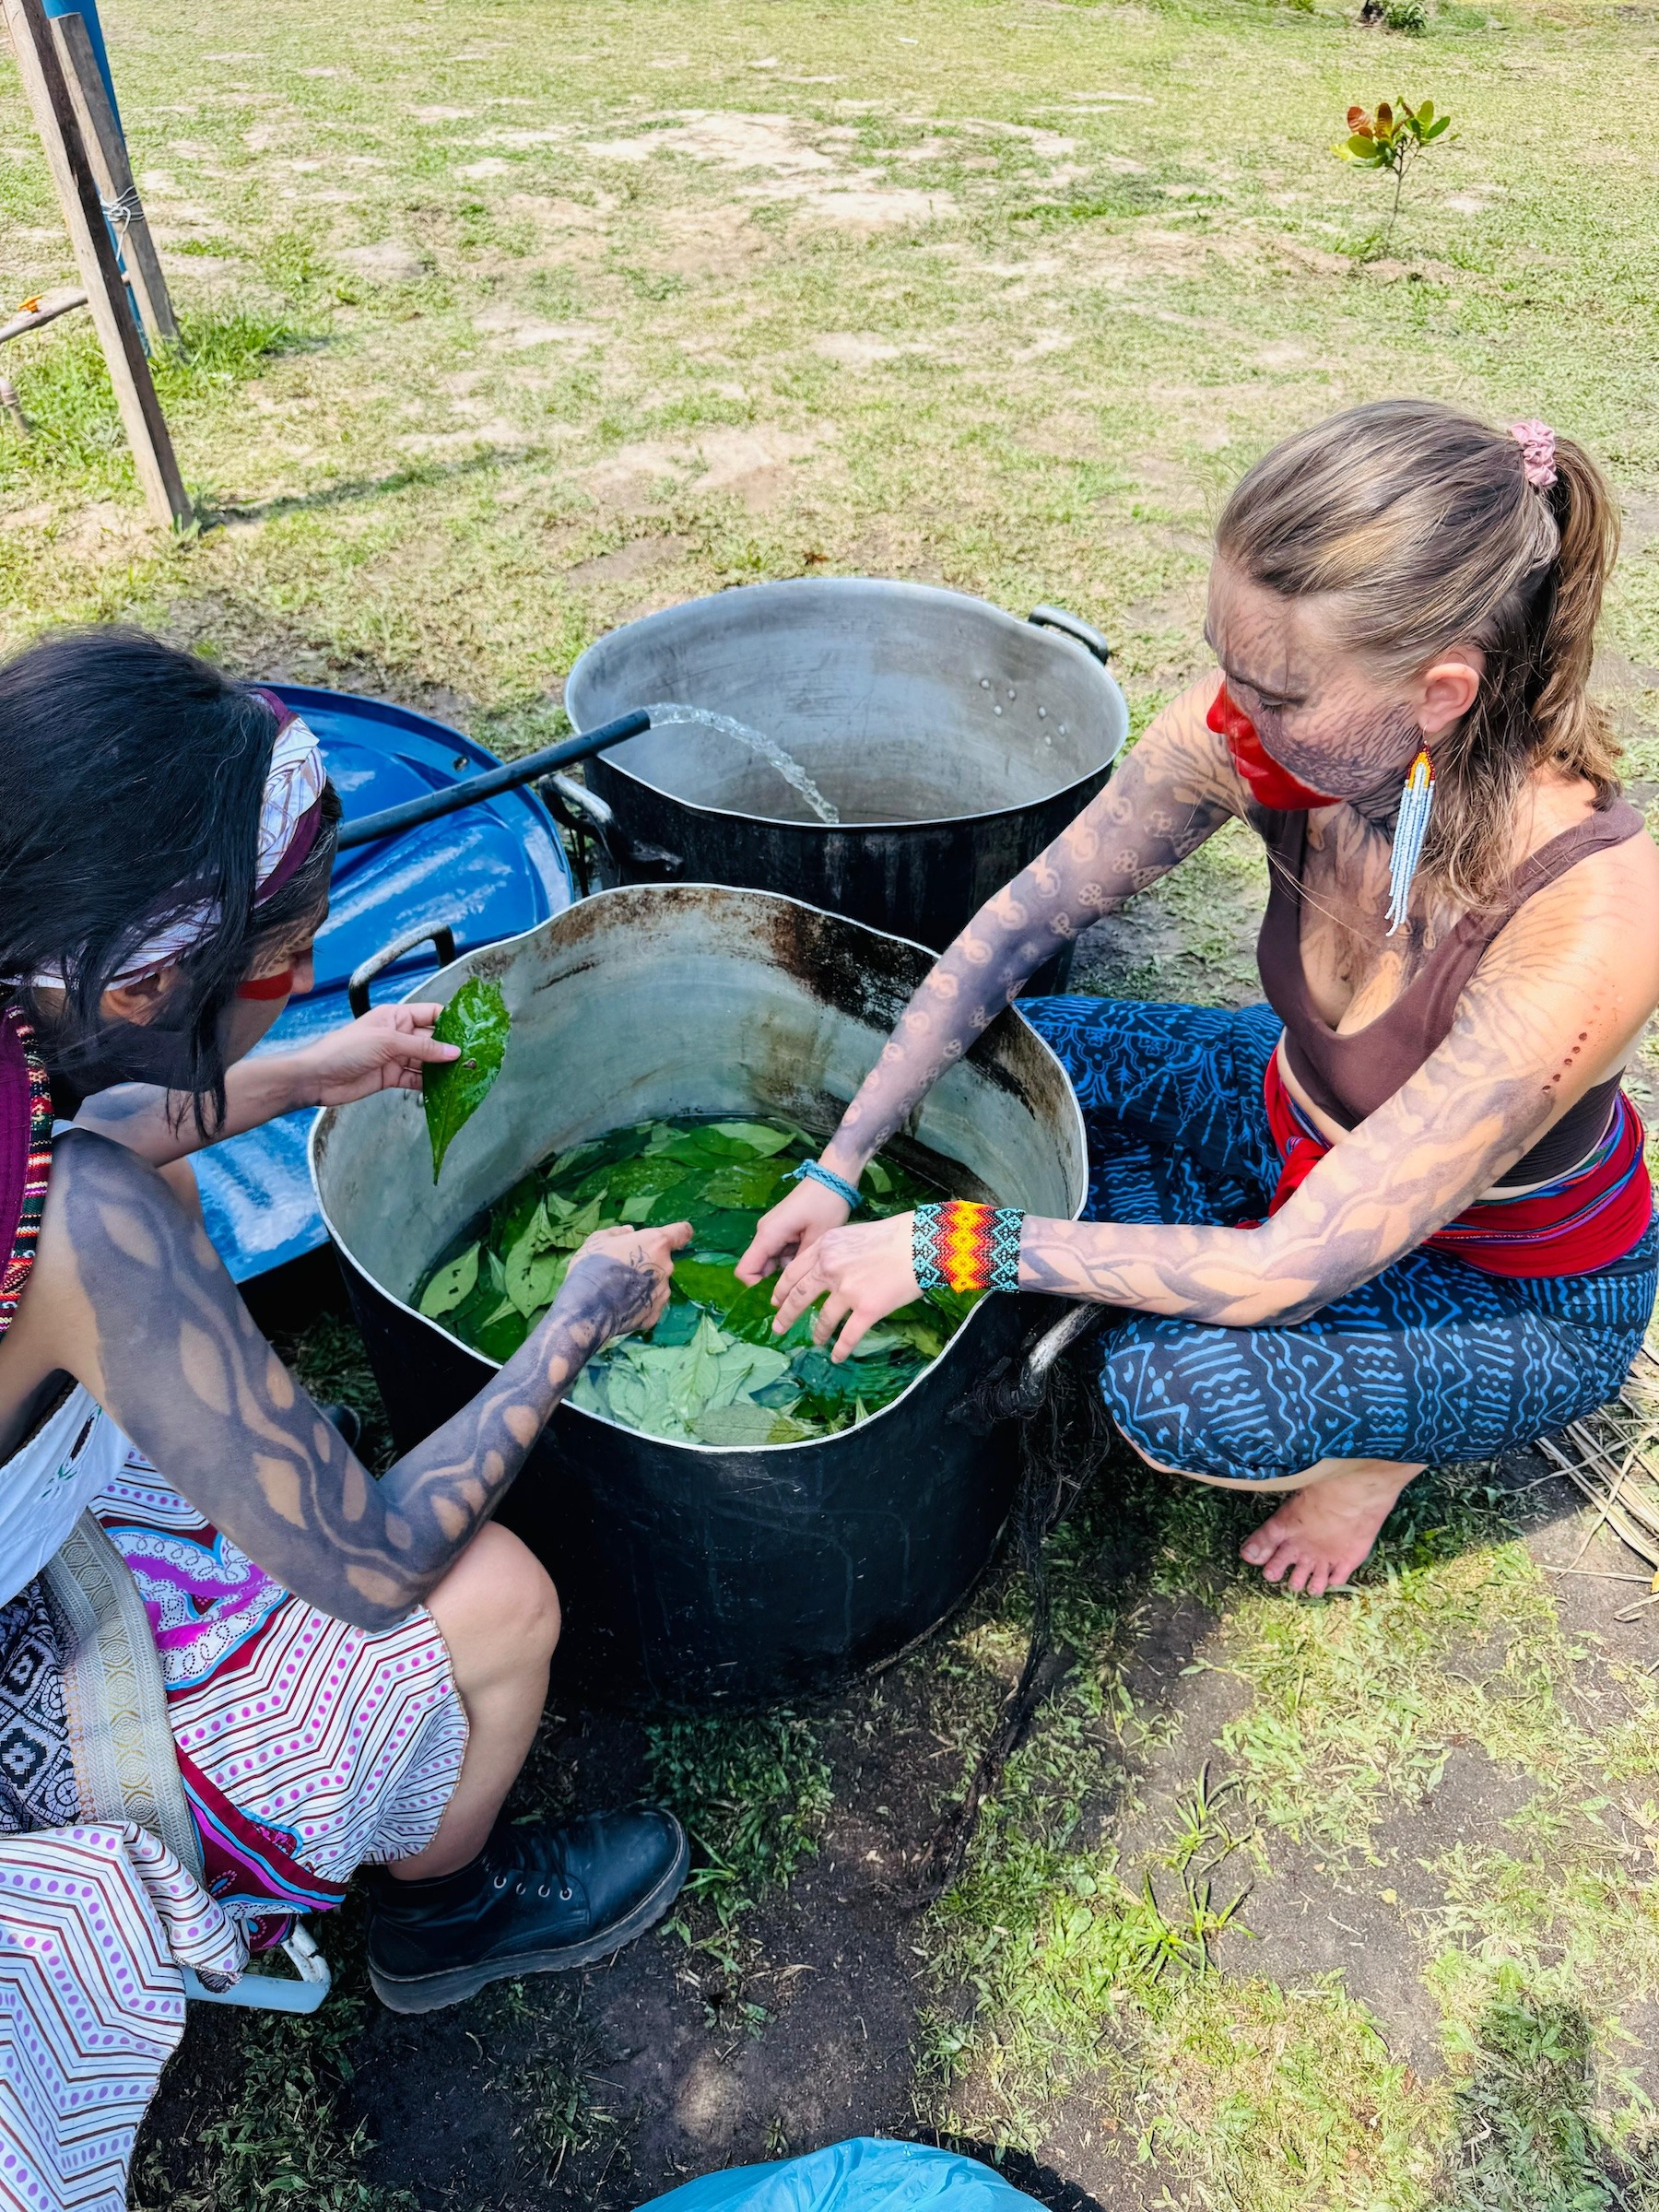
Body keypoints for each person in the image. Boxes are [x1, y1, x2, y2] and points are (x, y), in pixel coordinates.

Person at [738, 401, 1659, 1600]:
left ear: (1440, 694)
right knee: (1021, 1061)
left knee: (1173, 1394)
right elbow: (1015, 933)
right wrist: (841, 1161)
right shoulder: (1260, 733)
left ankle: (1377, 1463)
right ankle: (1161, 1245)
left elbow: (1296, 1261)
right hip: (1295, 1126)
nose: (1229, 714)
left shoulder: (1588, 918)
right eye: (1226, 662)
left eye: (1275, 692)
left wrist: (951, 1243)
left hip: (1503, 1285)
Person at [0, 630, 692, 2198]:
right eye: (290, 958)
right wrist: (574, 1323)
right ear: (142, 983)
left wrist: (305, 1070)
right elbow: (372, 1564)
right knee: (492, 1598)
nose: (303, 979)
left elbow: (78, 1101)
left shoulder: (28, 989)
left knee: (162, 1186)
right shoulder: (89, 1230)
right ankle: (443, 1914)